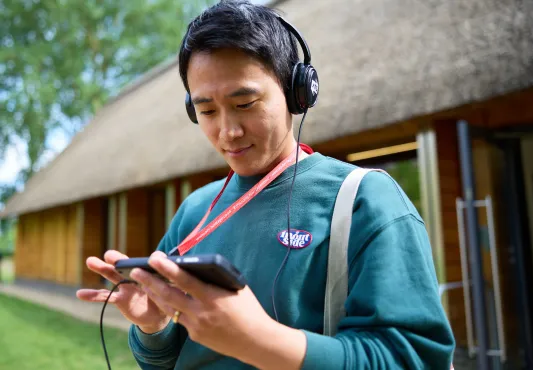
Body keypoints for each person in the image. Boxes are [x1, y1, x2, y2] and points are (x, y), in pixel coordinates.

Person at [77, 1, 456, 369]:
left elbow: (416, 359)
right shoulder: (195, 210)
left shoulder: (365, 200)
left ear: (296, 93)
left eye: (245, 104)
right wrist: (153, 325)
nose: (227, 130)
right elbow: (165, 360)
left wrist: (257, 341)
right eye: (207, 111)